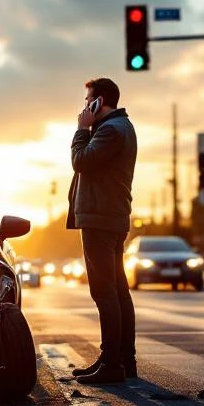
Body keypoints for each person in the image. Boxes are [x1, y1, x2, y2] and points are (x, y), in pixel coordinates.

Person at [66, 77, 138, 385]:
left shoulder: (110, 130)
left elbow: (81, 162)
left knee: (105, 291)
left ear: (99, 102)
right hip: (108, 217)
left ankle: (113, 365)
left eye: (88, 101)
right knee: (118, 290)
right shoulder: (118, 128)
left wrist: (82, 129)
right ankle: (121, 359)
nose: (84, 107)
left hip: (100, 219)